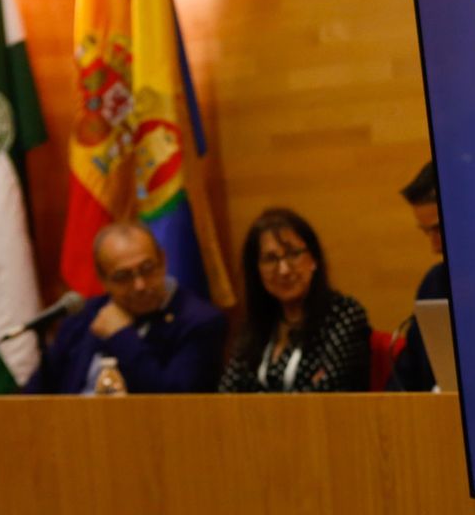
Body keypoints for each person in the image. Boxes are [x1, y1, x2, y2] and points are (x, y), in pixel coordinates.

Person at [24, 221, 226, 394]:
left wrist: (122, 337)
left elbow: (174, 400)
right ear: (102, 280)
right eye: (123, 277)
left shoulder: (199, 321)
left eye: (147, 269)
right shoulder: (84, 316)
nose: (140, 285)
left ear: (163, 261)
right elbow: (35, 394)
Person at [218, 208, 371, 393]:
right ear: (256, 270)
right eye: (270, 259)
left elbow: (326, 393)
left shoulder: (343, 315)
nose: (283, 270)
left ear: (313, 259)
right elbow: (227, 395)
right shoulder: (258, 323)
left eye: (293, 254)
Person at [386, 162, 446, 392]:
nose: (434, 247)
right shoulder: (434, 285)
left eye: (438, 229)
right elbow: (404, 376)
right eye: (426, 232)